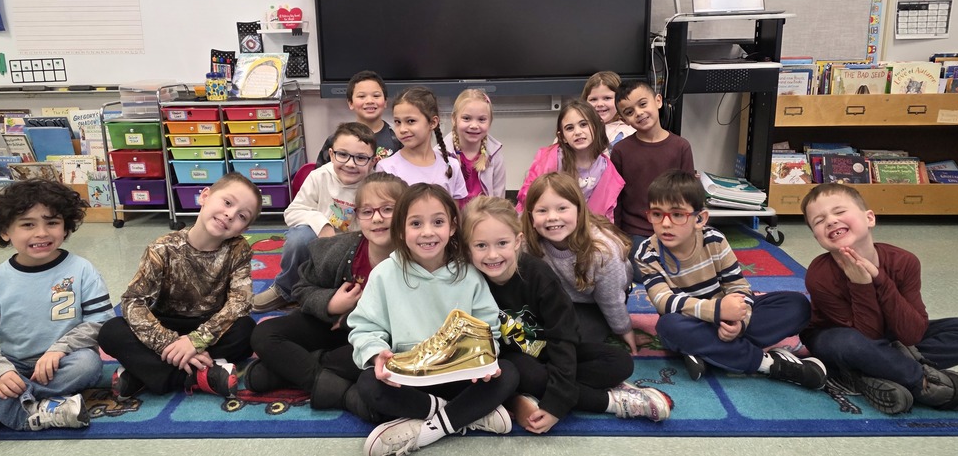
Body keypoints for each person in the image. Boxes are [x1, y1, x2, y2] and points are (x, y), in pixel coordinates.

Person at [462, 196, 672, 433]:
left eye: (502, 243)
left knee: (620, 363)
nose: (492, 255)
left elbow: (563, 337)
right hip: (514, 360)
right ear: (468, 247)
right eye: (481, 246)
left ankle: (526, 396)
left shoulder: (539, 275)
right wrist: (558, 401)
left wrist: (555, 403)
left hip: (552, 349)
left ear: (518, 241)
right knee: (531, 376)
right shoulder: (470, 282)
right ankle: (612, 402)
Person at [348, 184, 519, 456]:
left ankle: (428, 430)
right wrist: (375, 353)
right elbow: (365, 327)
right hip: (410, 378)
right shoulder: (385, 274)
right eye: (416, 223)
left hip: (462, 374)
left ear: (452, 227)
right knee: (368, 385)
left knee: (508, 373)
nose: (427, 232)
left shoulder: (469, 275)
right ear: (401, 231)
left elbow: (489, 329)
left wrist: (486, 359)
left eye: (437, 222)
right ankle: (469, 415)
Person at [635, 169, 827, 389]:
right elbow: (664, 301)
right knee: (668, 326)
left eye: (677, 215)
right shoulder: (647, 252)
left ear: (700, 219)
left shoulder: (714, 240)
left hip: (728, 316)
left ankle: (709, 351)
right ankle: (768, 364)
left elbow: (738, 286)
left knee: (798, 305)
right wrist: (717, 311)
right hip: (688, 320)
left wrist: (739, 322)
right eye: (657, 214)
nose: (665, 223)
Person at [0, 180, 113, 440]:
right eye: (28, 224)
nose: (41, 233)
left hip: (65, 364)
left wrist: (60, 348)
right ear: (5, 231)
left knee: (88, 363)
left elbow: (101, 322)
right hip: (12, 365)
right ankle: (34, 410)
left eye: (52, 223)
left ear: (65, 227)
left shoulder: (82, 270)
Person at [800, 183, 958, 414]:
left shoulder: (905, 261)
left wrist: (879, 279)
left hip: (896, 341)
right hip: (839, 341)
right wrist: (860, 285)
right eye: (819, 221)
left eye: (840, 211)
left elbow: (913, 333)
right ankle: (927, 386)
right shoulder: (819, 274)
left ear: (869, 218)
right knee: (850, 344)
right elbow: (867, 336)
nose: (831, 221)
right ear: (817, 238)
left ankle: (869, 376)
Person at [247, 173, 408, 418]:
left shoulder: (416, 256)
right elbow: (302, 288)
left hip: (373, 340)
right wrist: (331, 303)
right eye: (367, 211)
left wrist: (352, 315)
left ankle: (283, 372)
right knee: (264, 333)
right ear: (357, 216)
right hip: (329, 326)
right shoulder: (339, 250)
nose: (377, 218)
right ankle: (339, 391)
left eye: (388, 209)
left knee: (390, 363)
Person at [98, 173, 263, 400]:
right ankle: (199, 376)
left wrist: (196, 341)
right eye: (227, 202)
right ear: (205, 196)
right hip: (164, 325)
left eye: (242, 216)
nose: (230, 214)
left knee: (247, 331)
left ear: (243, 229)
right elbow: (132, 301)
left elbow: (240, 303)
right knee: (110, 332)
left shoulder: (238, 249)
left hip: (209, 327)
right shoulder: (163, 248)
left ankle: (143, 375)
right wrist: (171, 342)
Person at [253, 122, 378, 312]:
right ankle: (285, 289)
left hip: (358, 248)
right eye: (342, 154)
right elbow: (293, 212)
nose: (350, 164)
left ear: (373, 161)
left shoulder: (376, 184)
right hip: (321, 245)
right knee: (299, 237)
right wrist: (323, 226)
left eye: (361, 158)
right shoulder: (319, 176)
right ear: (331, 153)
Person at [521, 172, 638, 354]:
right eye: (542, 211)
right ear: (531, 217)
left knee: (578, 340)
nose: (552, 217)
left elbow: (611, 298)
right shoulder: (527, 242)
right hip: (555, 300)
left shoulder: (604, 251)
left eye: (562, 208)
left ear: (579, 210)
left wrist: (624, 329)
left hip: (593, 303)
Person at [611, 79, 694, 267]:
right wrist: (617, 236)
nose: (639, 114)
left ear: (658, 101)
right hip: (637, 231)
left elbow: (690, 195)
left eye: (642, 104)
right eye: (629, 112)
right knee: (644, 269)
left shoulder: (681, 146)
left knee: (699, 262)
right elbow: (616, 199)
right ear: (624, 120)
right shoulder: (621, 151)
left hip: (675, 228)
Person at [515, 101, 624, 222]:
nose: (577, 132)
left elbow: (606, 215)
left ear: (596, 127)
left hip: (587, 227)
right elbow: (529, 196)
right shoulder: (550, 158)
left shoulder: (605, 168)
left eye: (583, 124)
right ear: (562, 137)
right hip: (546, 222)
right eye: (569, 128)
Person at [376, 87, 467, 203]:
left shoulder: (451, 166)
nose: (402, 129)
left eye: (410, 121)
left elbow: (456, 215)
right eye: (398, 122)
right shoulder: (387, 168)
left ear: (433, 122)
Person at [317, 70, 402, 166]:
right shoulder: (336, 139)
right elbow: (321, 174)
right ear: (350, 103)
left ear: (385, 101)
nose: (370, 101)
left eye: (376, 96)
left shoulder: (399, 138)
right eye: (362, 96)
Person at [442, 88, 506, 201]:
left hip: (485, 216)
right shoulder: (440, 153)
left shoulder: (495, 154)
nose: (474, 125)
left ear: (490, 122)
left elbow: (499, 199)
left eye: (481, 119)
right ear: (454, 119)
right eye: (466, 118)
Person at [582, 71, 635, 149]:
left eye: (607, 98)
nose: (600, 104)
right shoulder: (576, 131)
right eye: (593, 99)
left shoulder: (631, 132)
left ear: (619, 100)